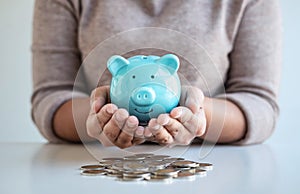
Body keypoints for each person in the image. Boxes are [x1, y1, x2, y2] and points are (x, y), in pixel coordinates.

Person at [31, 0, 282, 148]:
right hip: (100, 166)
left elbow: (260, 103)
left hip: (213, 175)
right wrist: (98, 116)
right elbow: (50, 97)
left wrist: (199, 115)